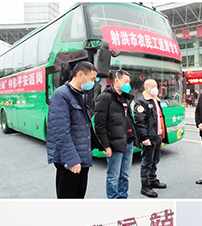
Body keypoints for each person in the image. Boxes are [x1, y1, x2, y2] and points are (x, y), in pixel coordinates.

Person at [46, 61, 99, 198]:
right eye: (92, 78)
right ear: (80, 74)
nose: (93, 82)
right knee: (68, 199)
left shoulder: (81, 95)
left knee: (79, 196)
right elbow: (60, 131)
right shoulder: (61, 95)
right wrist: (72, 160)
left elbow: (84, 125)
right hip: (69, 161)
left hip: (82, 157)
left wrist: (100, 145)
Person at [94, 70, 137, 199]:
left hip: (128, 142)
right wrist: (105, 146)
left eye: (129, 82)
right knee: (113, 175)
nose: (128, 84)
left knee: (125, 175)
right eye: (126, 81)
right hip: (114, 144)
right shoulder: (105, 97)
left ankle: (123, 197)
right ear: (116, 81)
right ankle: (113, 200)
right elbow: (99, 124)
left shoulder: (125, 97)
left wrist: (134, 140)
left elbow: (129, 121)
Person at [134, 79, 168, 198]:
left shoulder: (155, 100)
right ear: (147, 88)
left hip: (157, 135)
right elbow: (140, 122)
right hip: (149, 137)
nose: (156, 88)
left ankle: (153, 180)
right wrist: (144, 137)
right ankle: (145, 185)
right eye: (153, 86)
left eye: (156, 85)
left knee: (155, 160)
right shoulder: (142, 101)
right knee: (147, 162)